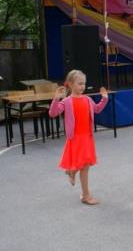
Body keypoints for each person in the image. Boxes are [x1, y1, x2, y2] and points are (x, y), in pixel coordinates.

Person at [48, 70, 109, 205]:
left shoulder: (87, 100)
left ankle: (72, 172)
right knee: (85, 165)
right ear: (70, 84)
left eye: (84, 84)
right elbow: (53, 113)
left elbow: (97, 109)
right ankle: (86, 195)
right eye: (80, 83)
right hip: (76, 138)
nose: (83, 86)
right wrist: (56, 98)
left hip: (87, 137)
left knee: (85, 165)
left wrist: (104, 99)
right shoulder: (67, 101)